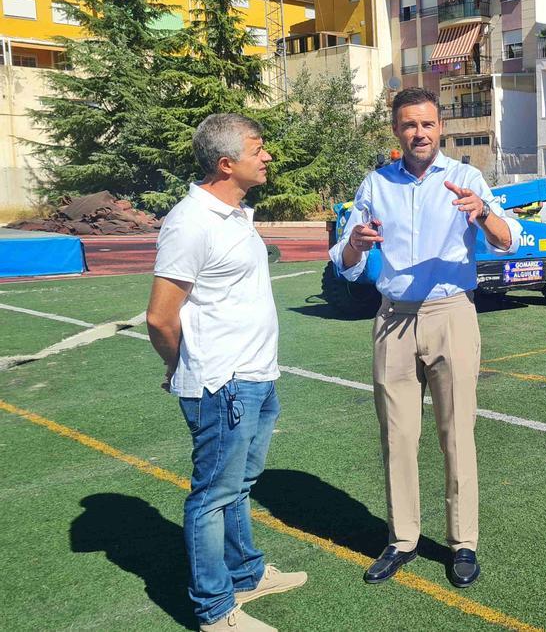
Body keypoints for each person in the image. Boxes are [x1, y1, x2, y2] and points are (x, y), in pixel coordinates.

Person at [329, 87, 521, 589]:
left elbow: (508, 239)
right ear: (396, 130)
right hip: (392, 320)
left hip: (450, 314)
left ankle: (462, 544)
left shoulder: (466, 179)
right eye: (410, 125)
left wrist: (480, 213)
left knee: (456, 433)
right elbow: (345, 266)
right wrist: (354, 243)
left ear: (441, 129)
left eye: (428, 124)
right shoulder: (375, 184)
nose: (420, 133)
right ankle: (402, 539)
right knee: (397, 436)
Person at [147, 113, 307, 632]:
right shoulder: (190, 222)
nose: (267, 157)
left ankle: (245, 574)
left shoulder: (235, 214)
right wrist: (179, 364)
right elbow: (160, 316)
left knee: (239, 485)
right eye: (258, 149)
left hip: (256, 375)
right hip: (223, 383)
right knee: (212, 494)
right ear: (226, 163)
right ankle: (215, 610)